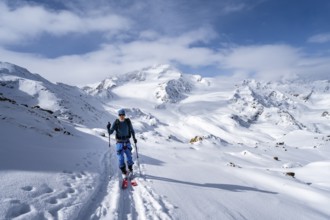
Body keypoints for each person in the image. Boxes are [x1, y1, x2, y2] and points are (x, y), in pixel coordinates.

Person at [107, 109, 137, 177]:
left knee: (129, 156)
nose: (122, 116)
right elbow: (110, 132)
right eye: (120, 115)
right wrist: (108, 128)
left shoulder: (128, 121)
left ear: (124, 115)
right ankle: (124, 171)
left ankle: (130, 169)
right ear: (118, 115)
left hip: (127, 141)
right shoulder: (116, 122)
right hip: (119, 143)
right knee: (120, 158)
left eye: (123, 115)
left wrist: (134, 138)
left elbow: (132, 130)